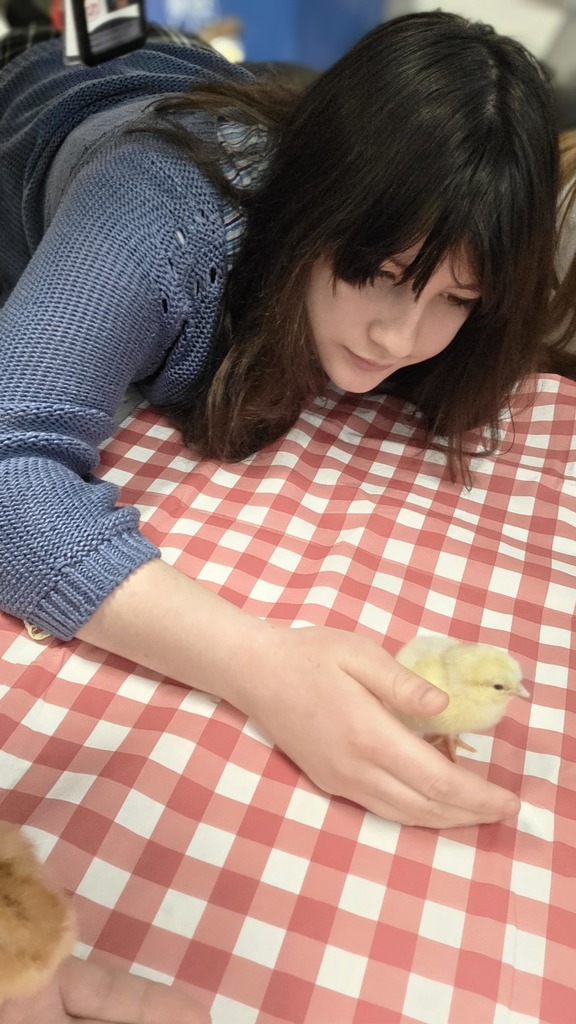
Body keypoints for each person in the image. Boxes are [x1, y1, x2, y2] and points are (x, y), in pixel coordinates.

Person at [0, 13, 560, 835]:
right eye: (380, 273)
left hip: (193, 70)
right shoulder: (158, 211)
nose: (398, 338)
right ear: (311, 213)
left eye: (456, 299)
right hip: (42, 84)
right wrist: (258, 664)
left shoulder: (424, 282)